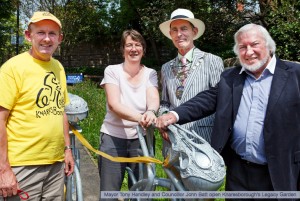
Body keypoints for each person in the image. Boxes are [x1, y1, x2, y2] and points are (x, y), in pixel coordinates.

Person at [156, 23, 300, 193]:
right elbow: (206, 100)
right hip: (238, 171)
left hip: (281, 171)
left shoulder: (295, 75)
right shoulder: (230, 77)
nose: (248, 52)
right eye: (242, 47)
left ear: (268, 45)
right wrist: (174, 114)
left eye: (254, 44)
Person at [0, 11, 74, 200]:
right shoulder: (12, 68)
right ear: (28, 36)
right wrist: (3, 169)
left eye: (52, 34)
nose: (47, 39)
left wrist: (67, 150)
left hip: (56, 165)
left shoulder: (58, 67)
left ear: (60, 38)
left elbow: (61, 111)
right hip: (22, 166)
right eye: (41, 32)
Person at [98, 29, 159, 200]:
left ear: (143, 49)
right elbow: (114, 104)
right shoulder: (112, 71)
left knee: (141, 193)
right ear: (123, 49)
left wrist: (151, 111)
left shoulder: (150, 73)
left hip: (142, 140)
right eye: (129, 45)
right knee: (109, 194)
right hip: (112, 139)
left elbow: (153, 98)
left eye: (138, 45)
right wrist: (141, 118)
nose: (133, 49)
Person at [158, 8, 224, 156]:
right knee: (173, 180)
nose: (179, 34)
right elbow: (164, 103)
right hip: (173, 140)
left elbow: (219, 100)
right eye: (174, 30)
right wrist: (164, 120)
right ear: (170, 34)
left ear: (194, 31)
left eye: (184, 29)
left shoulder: (212, 61)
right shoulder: (166, 68)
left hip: (202, 140)